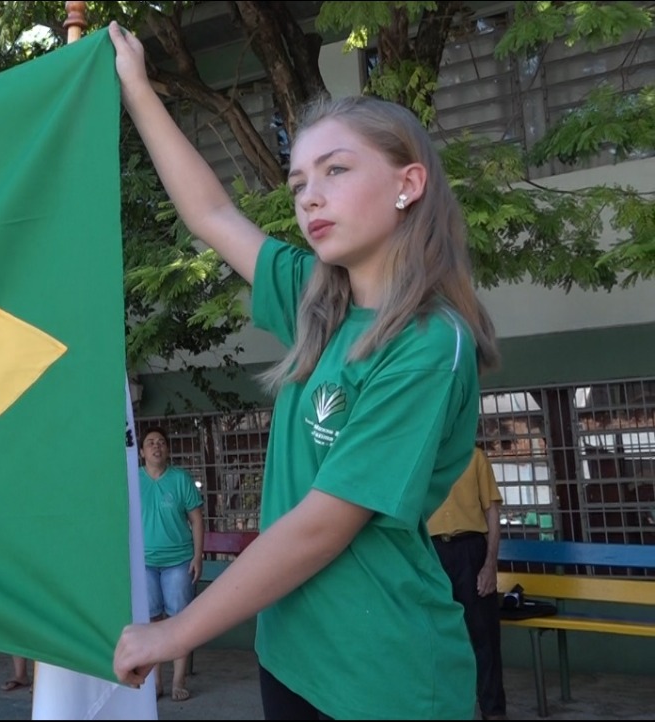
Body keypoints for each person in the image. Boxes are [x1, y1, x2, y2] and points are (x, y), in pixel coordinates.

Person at [107, 21, 500, 721]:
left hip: (381, 676)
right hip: (290, 656)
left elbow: (323, 524)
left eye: (336, 170)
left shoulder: (428, 343)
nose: (308, 196)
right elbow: (211, 211)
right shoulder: (314, 298)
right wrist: (136, 86)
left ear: (409, 183)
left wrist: (175, 632)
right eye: (298, 181)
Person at [428, 445, 508, 721]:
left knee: (484, 635)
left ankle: (493, 710)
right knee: (434, 638)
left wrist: (489, 565)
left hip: (470, 551)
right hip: (431, 553)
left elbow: (492, 512)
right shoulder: (420, 457)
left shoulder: (474, 457)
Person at [138, 427, 203, 701]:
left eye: (162, 442)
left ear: (167, 450)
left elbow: (196, 519)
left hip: (179, 560)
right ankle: (156, 682)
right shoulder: (132, 480)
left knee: (179, 621)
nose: (157, 446)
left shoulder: (180, 479)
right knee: (152, 621)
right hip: (144, 563)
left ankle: (178, 680)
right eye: (150, 443)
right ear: (141, 452)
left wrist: (198, 556)